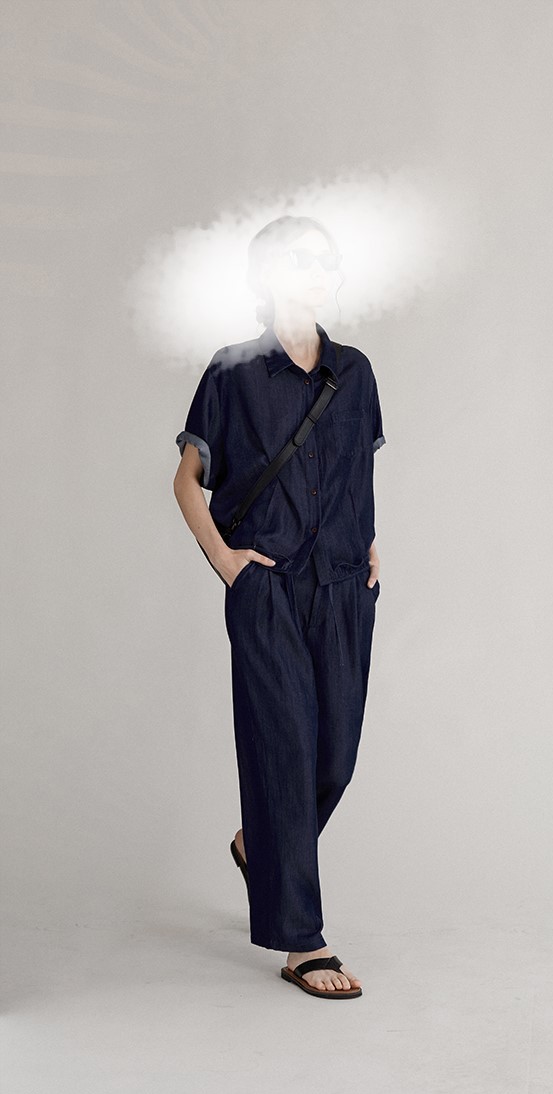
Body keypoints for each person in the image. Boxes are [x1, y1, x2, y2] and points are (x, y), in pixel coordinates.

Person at [173, 215, 386, 999]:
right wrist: (227, 563)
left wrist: (371, 542)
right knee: (286, 753)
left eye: (328, 259)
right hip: (267, 588)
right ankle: (303, 941)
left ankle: (257, 846)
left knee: (335, 759)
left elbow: (356, 470)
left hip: (345, 586)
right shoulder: (232, 371)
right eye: (301, 260)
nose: (319, 271)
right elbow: (186, 480)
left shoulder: (355, 371)